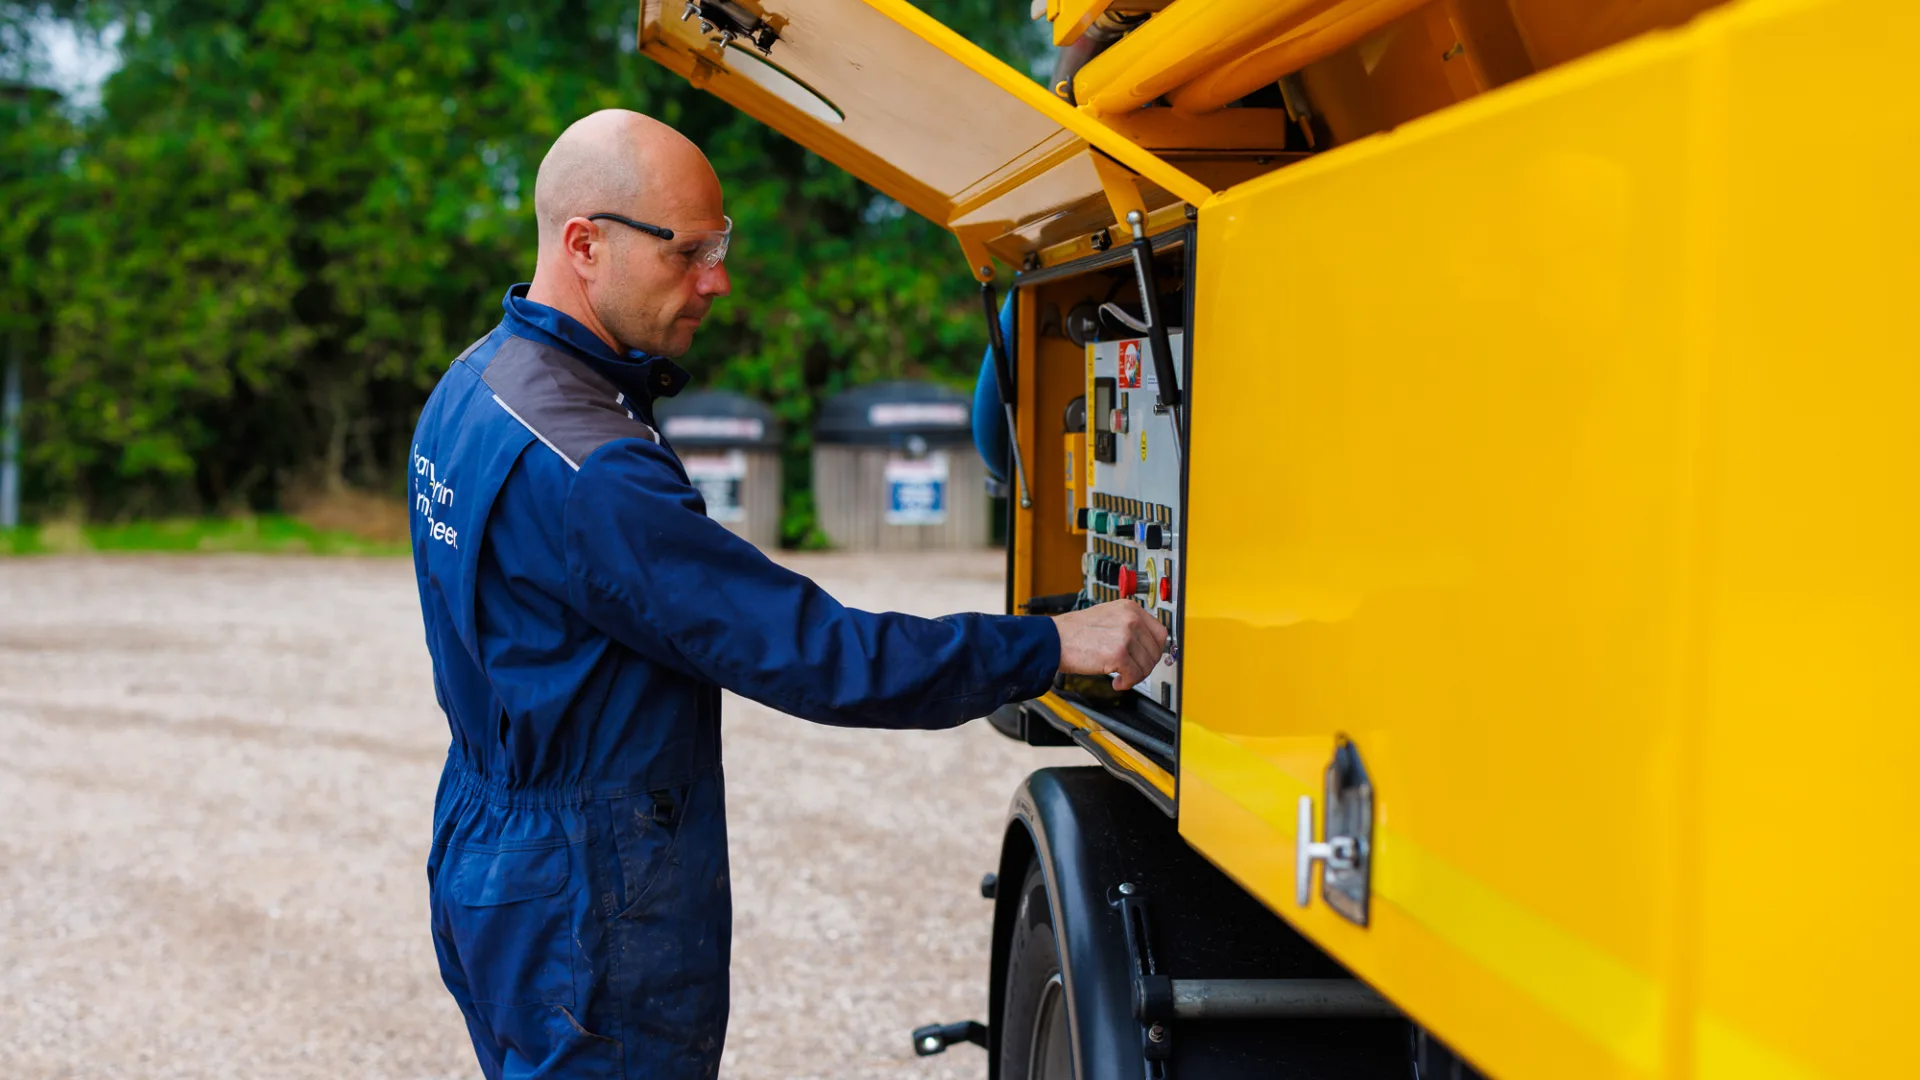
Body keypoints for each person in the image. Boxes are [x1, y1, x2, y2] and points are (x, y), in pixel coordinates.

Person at [407, 109, 1168, 1079]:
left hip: (493, 855)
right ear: (585, 243)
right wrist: (1047, 645)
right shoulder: (595, 470)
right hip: (586, 888)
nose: (716, 280)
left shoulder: (474, 386)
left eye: (720, 248)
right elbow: (817, 654)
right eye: (689, 252)